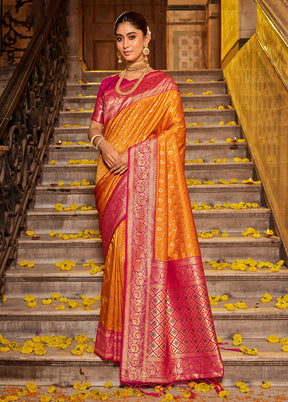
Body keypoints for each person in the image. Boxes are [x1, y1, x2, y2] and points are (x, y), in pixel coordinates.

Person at [88, 10, 224, 386]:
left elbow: (176, 136)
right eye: (120, 38)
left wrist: (134, 156)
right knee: (119, 255)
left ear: (148, 38)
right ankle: (119, 344)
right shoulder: (107, 86)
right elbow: (95, 127)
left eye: (132, 36)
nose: (125, 44)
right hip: (112, 180)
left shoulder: (163, 85)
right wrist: (103, 145)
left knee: (140, 255)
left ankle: (149, 343)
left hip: (144, 182)